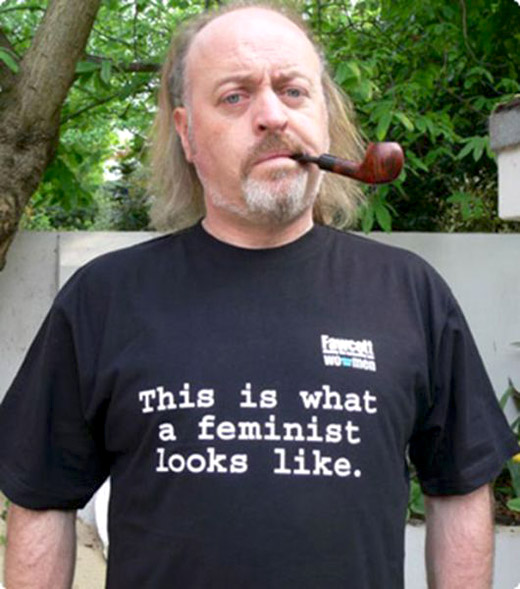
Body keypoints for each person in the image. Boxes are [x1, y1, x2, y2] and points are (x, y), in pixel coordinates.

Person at [0, 3, 518, 588]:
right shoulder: (103, 299)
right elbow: (41, 498)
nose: (272, 115)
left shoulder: (411, 293)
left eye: (293, 91)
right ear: (186, 134)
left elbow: (460, 484)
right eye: (234, 97)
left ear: (324, 117)